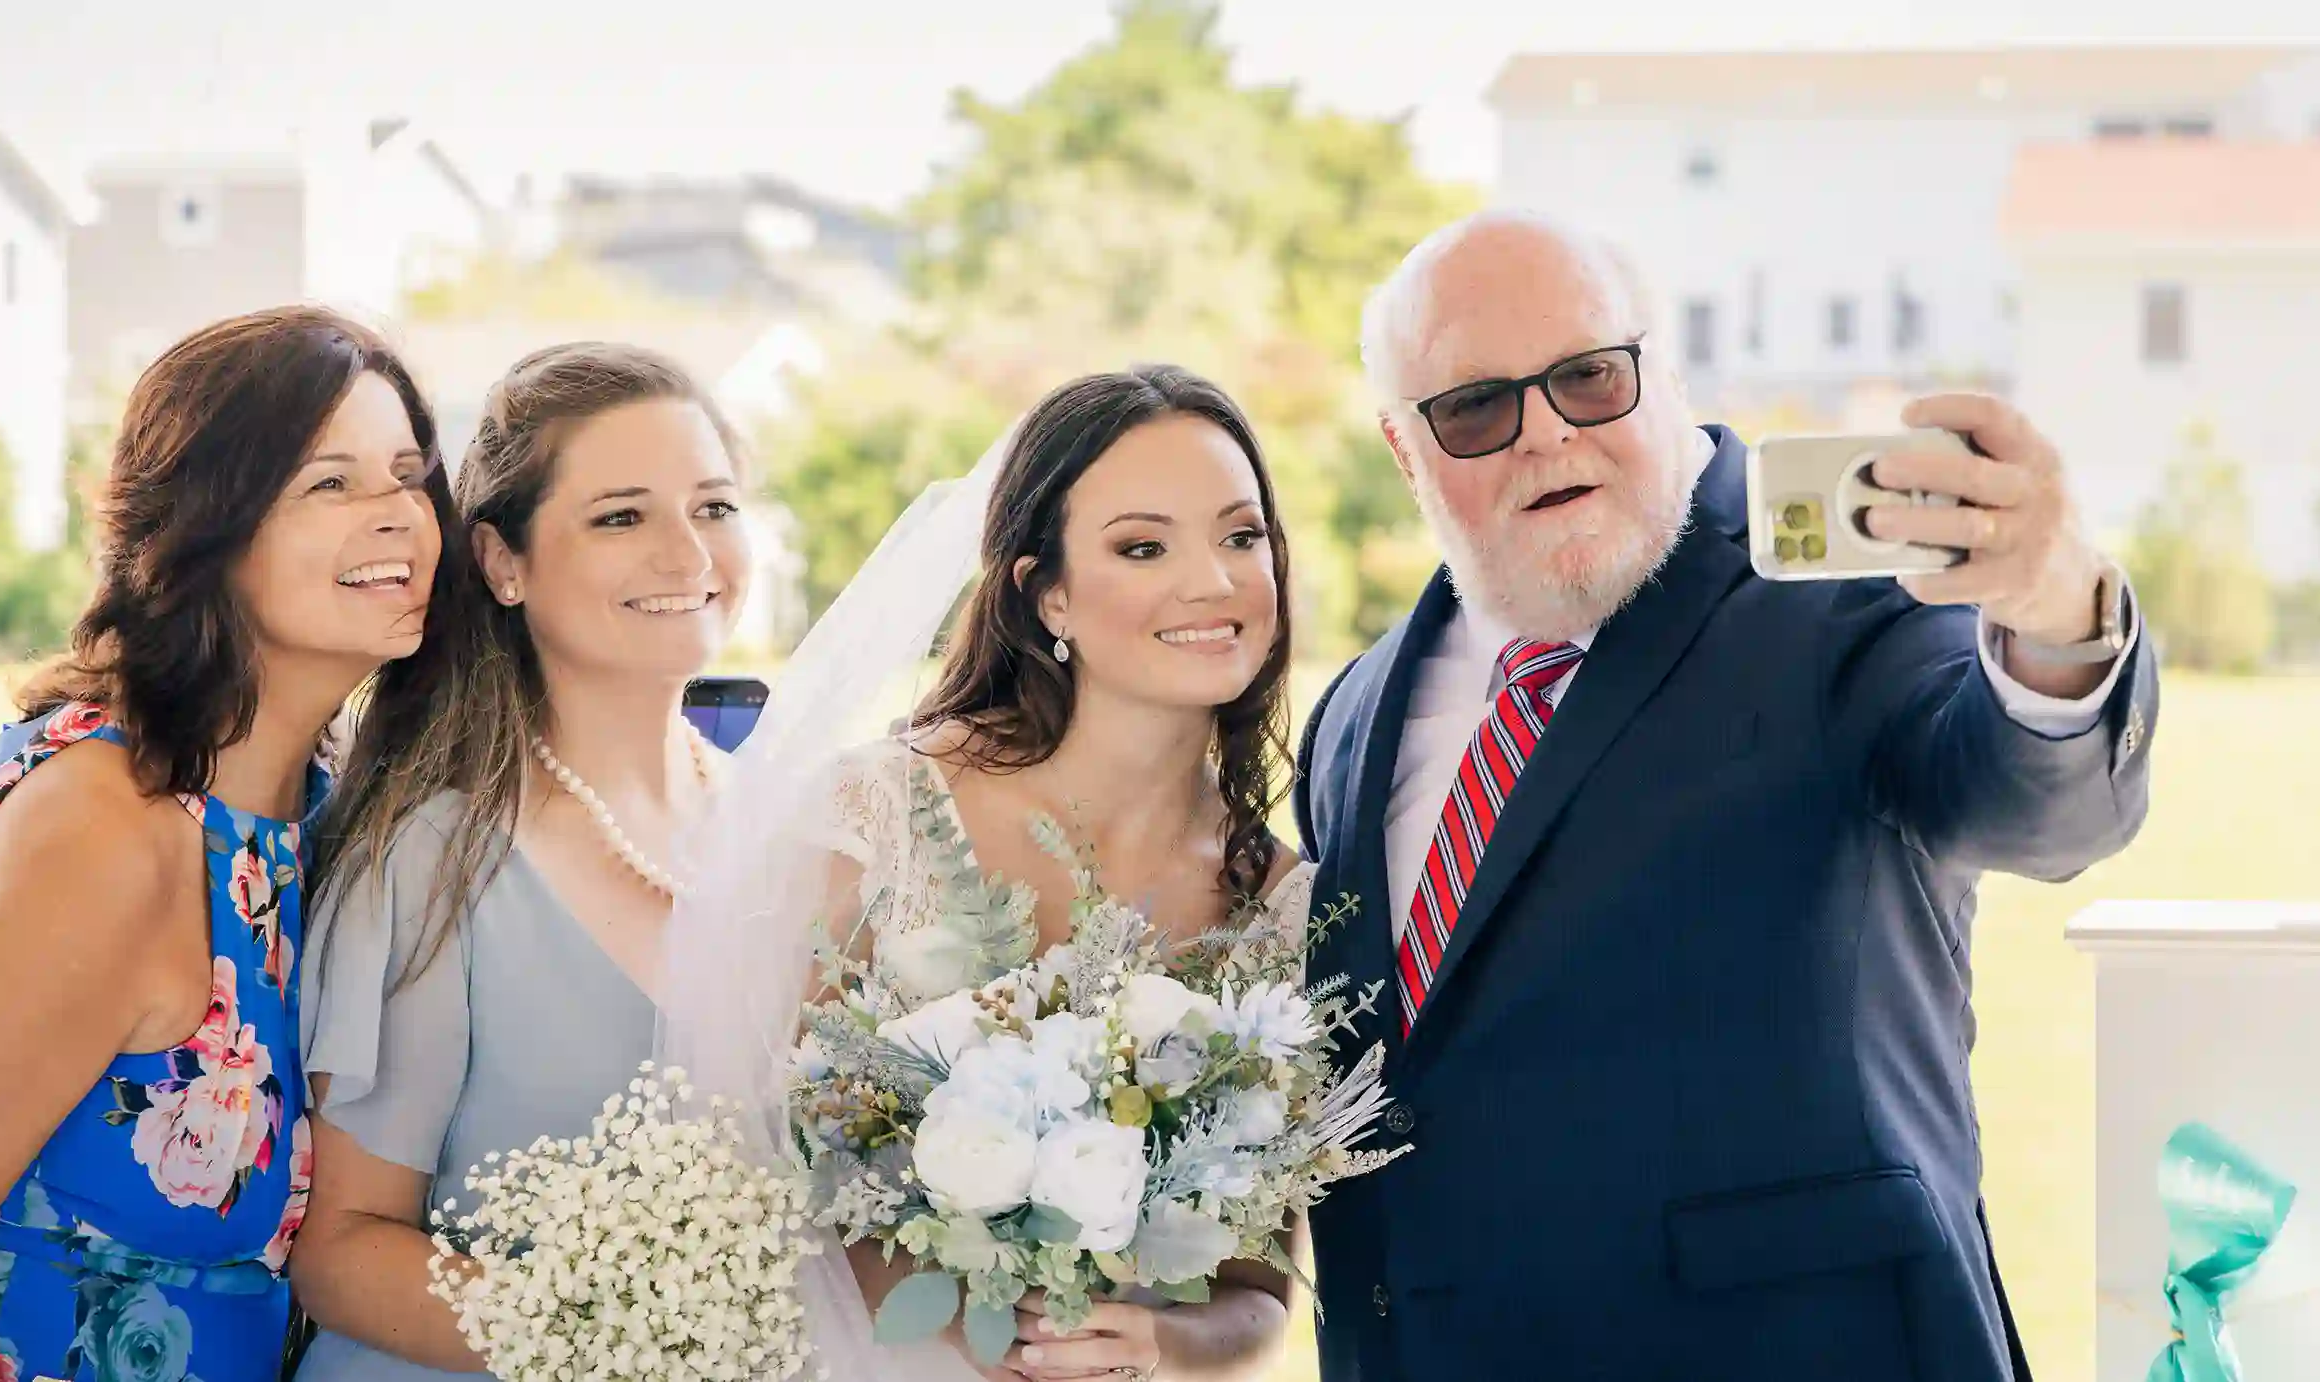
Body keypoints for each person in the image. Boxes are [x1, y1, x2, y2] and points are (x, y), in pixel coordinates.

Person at [1294, 210, 2156, 1382]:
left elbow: (2030, 802)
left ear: (1666, 373)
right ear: (1406, 449)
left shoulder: (1851, 603)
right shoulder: (1349, 716)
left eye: (1589, 377)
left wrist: (2058, 613)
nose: (1544, 434)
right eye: (1476, 408)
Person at [663, 365, 1306, 1382]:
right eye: (1144, 545)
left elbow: (1258, 1294)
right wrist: (978, 1340)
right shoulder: (880, 814)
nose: (1214, 583)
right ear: (1043, 589)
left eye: (1241, 536)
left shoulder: (1279, 903)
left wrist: (1156, 1338)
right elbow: (755, 1164)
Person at [0, 307, 453, 1382]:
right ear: (208, 529)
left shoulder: (318, 817)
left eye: (409, 474)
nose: (398, 516)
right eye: (332, 482)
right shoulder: (106, 822)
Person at [288, 343, 750, 1380]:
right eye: (622, 515)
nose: (688, 554)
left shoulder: (794, 830)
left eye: (714, 507)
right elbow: (343, 1248)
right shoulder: (432, 853)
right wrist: (632, 1348)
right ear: (503, 560)